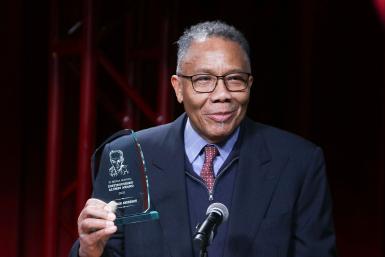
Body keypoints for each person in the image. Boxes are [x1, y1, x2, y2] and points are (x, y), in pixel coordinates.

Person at [70, 21, 337, 257]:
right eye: (203, 80)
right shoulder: (128, 155)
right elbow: (107, 249)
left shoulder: (298, 162)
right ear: (178, 88)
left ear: (250, 85)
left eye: (234, 79)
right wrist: (90, 251)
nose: (222, 94)